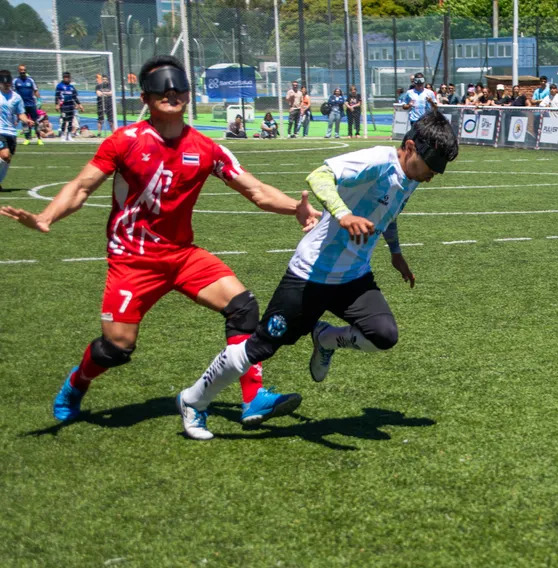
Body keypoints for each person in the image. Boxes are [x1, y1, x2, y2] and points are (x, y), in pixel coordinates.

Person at [0, 56, 320, 426]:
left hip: (182, 256)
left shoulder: (206, 148)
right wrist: (46, 216)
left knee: (242, 306)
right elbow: (82, 186)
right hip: (132, 260)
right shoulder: (125, 141)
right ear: (145, 97)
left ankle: (253, 398)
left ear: (188, 93)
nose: (171, 92)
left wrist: (296, 208)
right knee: (116, 348)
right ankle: (78, 382)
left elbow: (257, 191)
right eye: (160, 87)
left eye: (178, 85)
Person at [175, 111, 459, 440]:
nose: (430, 176)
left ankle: (325, 338)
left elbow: (389, 213)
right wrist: (343, 214)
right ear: (409, 147)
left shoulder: (410, 177)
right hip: (311, 275)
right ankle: (193, 399)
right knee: (261, 346)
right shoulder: (378, 160)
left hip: (353, 277)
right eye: (429, 167)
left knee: (384, 335)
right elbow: (320, 176)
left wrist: (396, 253)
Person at [0, 70, 34, 192]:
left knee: (7, 159)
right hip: (0, 130)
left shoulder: (16, 97)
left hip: (11, 131)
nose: (6, 86)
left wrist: (27, 120)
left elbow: (20, 113)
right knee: (4, 154)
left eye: (8, 84)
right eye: (4, 84)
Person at [13, 65, 41, 145]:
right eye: (21, 70)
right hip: (22, 105)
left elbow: (35, 90)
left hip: (31, 104)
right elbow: (13, 92)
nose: (23, 71)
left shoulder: (30, 80)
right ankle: (27, 138)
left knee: (36, 121)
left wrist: (39, 100)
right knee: (24, 122)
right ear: (19, 71)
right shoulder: (15, 81)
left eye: (24, 70)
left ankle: (39, 138)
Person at [55, 71, 82, 142]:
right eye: (65, 77)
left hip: (71, 106)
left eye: (68, 77)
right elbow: (57, 96)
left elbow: (75, 97)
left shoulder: (71, 87)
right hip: (64, 106)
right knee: (64, 120)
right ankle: (63, 135)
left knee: (70, 121)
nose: (66, 79)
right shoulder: (60, 86)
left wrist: (79, 104)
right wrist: (57, 104)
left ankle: (69, 135)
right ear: (63, 78)